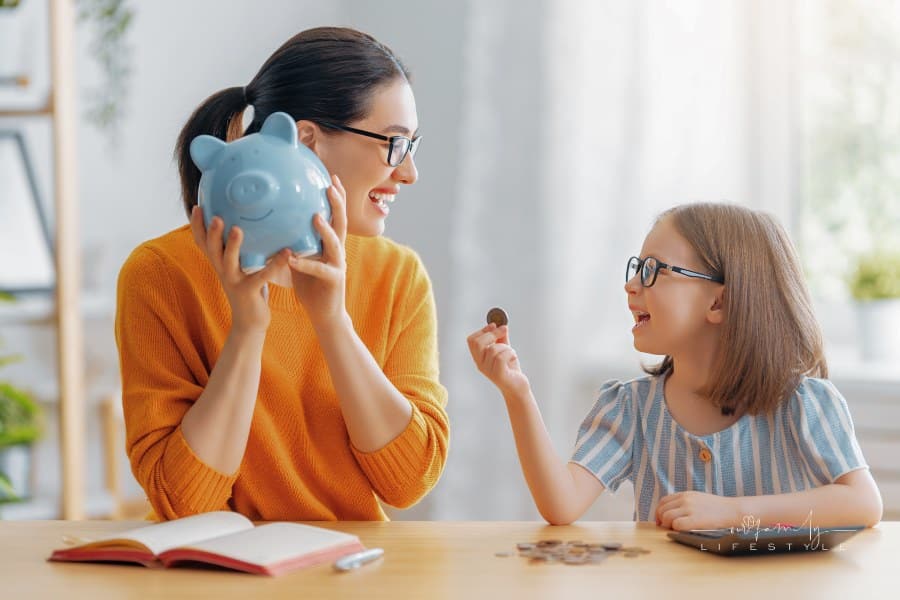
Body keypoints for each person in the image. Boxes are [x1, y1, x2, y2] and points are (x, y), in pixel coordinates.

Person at [116, 27, 449, 521]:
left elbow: (408, 481)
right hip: (204, 578)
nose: (409, 173)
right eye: (394, 145)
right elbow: (185, 500)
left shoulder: (398, 276)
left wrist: (332, 322)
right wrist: (248, 327)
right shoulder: (161, 274)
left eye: (411, 146)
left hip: (347, 573)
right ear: (308, 141)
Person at [467, 203, 882, 530]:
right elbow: (562, 504)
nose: (631, 285)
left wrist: (734, 514)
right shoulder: (629, 408)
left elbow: (863, 503)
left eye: (653, 271)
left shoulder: (806, 404)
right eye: (637, 268)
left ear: (718, 302)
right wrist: (517, 392)